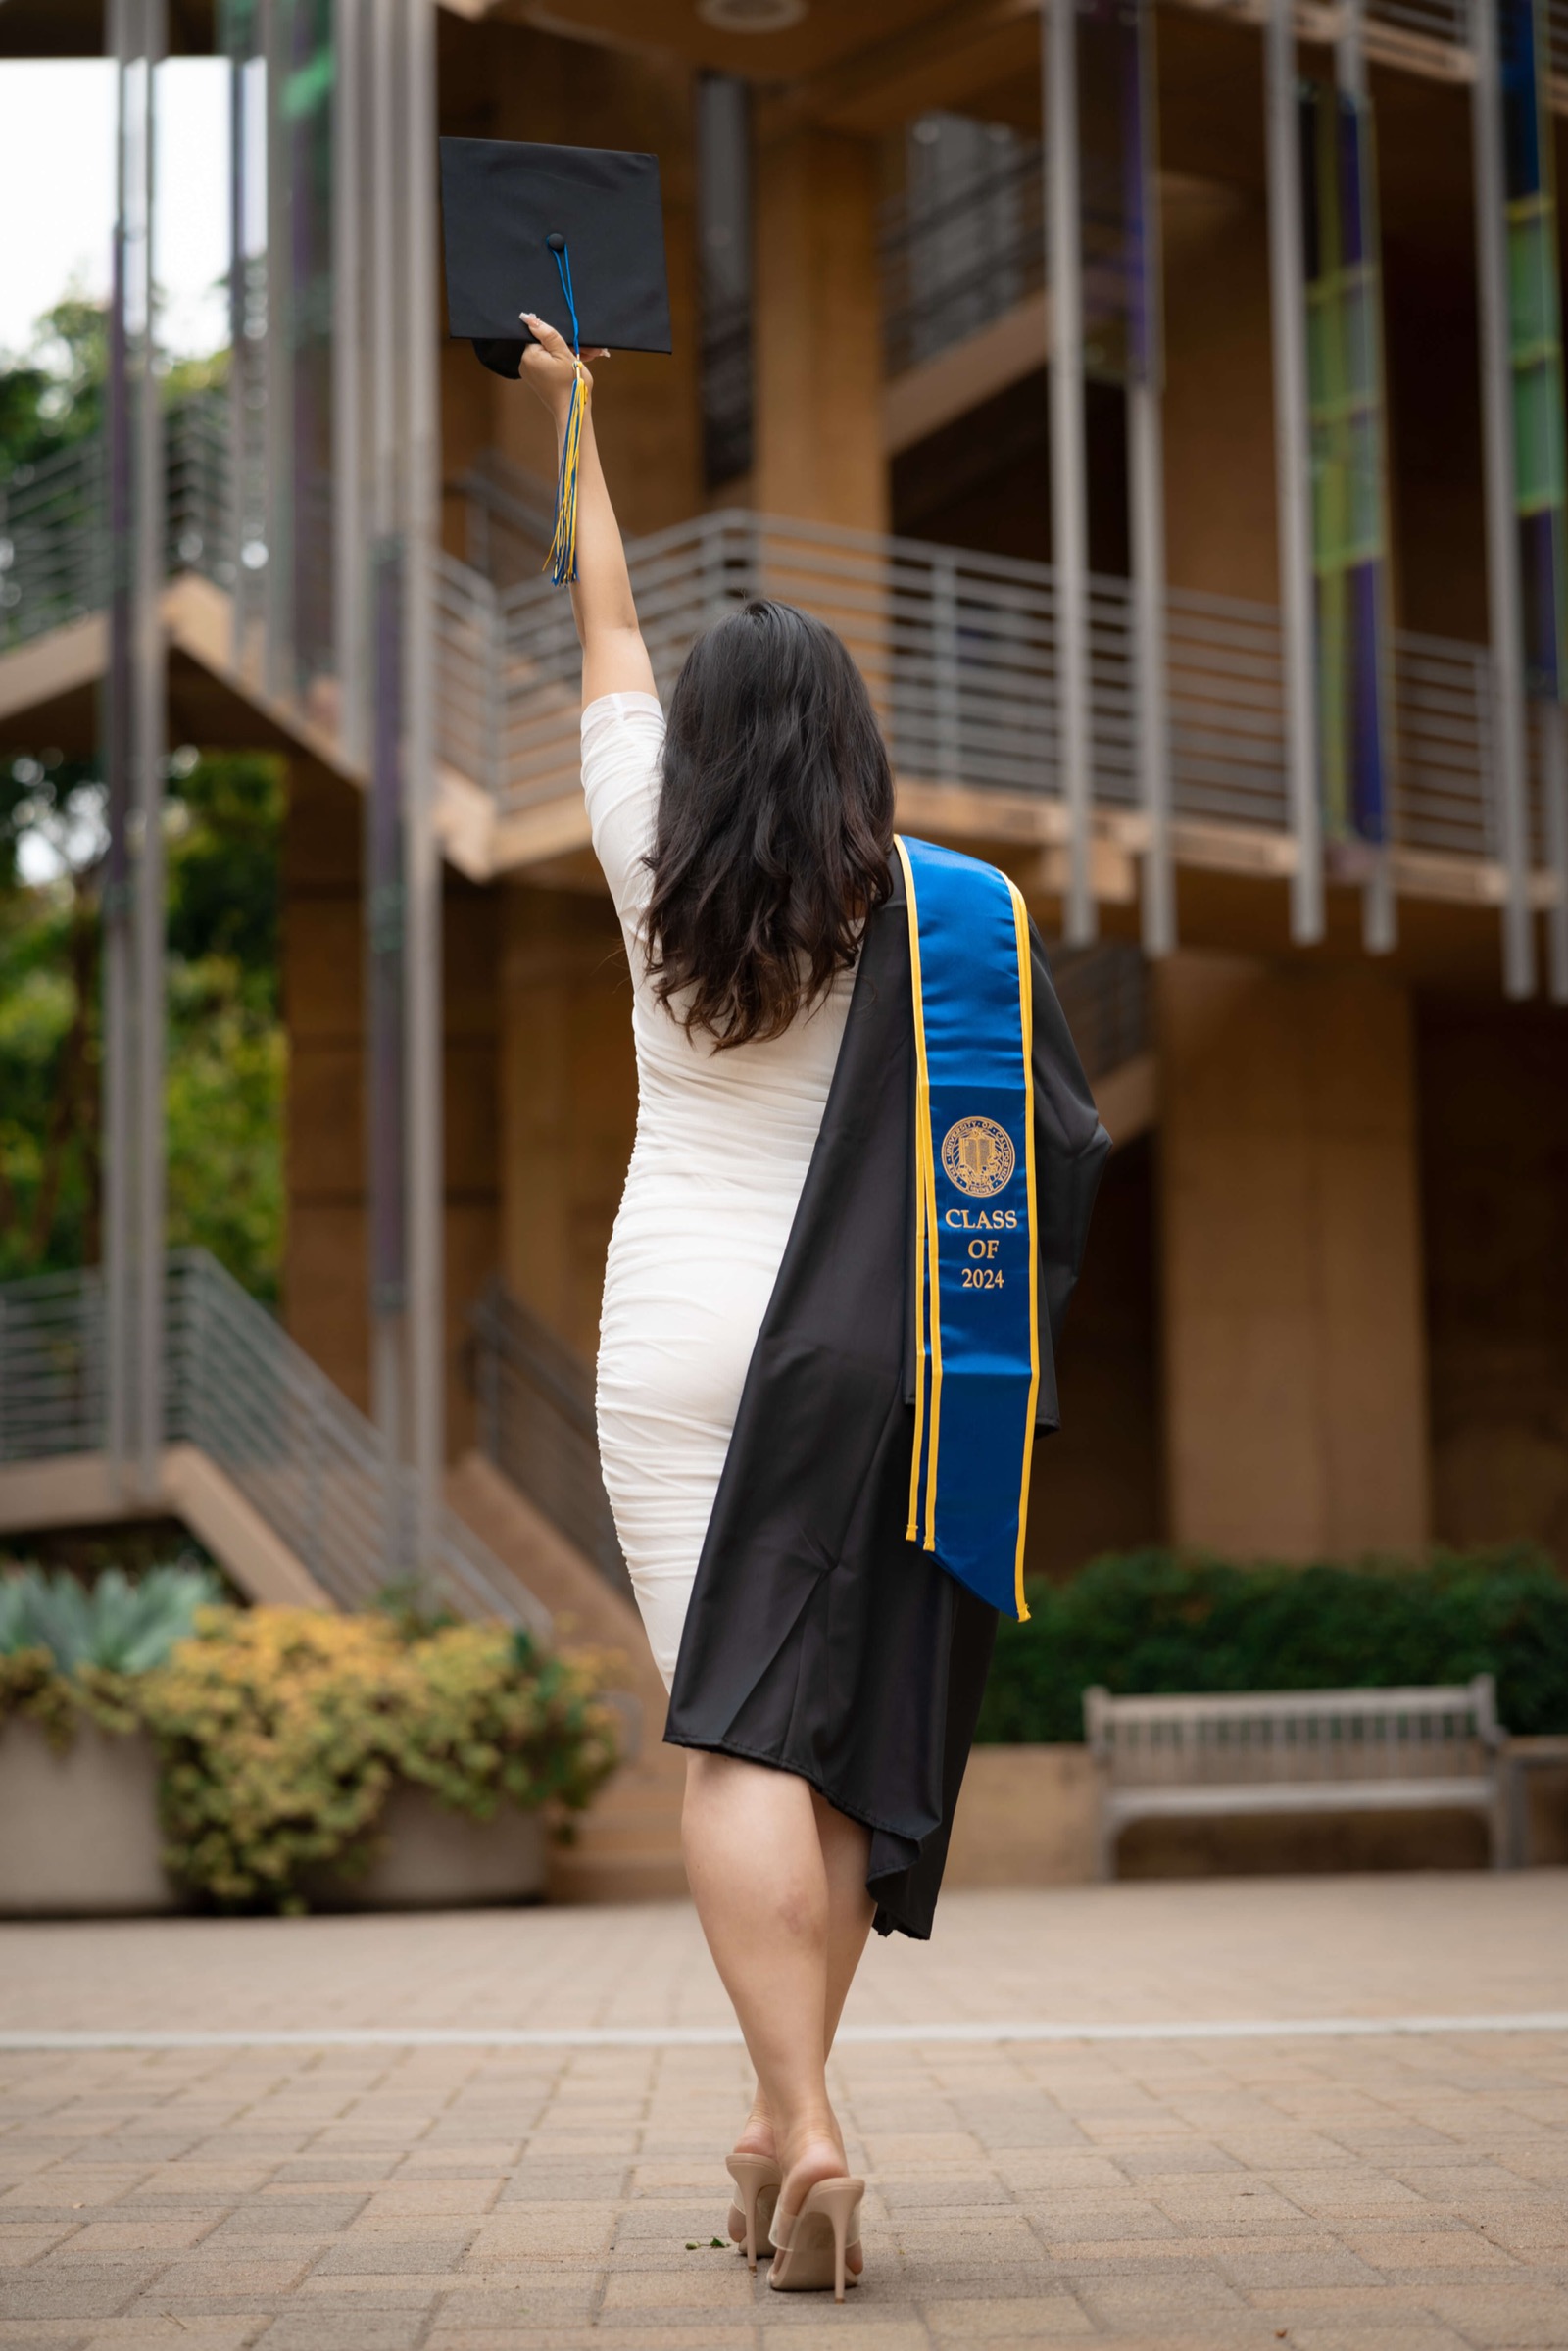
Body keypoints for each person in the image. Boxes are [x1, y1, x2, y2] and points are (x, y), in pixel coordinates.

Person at [518, 312, 1108, 2301]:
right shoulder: (916, 917)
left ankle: (808, 2123)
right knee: (823, 1739)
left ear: (703, 751)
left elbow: (602, 644)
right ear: (854, 755)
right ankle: (787, 2118)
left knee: (733, 1738)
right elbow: (1047, 1145)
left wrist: (577, 434)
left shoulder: (647, 852)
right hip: (869, 1357)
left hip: (675, 1343)